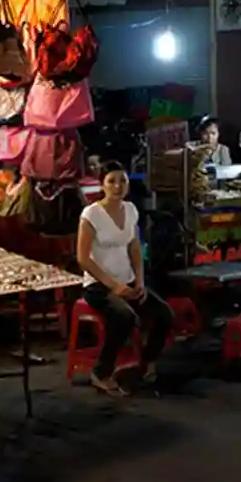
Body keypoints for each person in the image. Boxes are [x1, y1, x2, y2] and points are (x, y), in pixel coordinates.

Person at [76, 161, 174, 396]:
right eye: (111, 181)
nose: (118, 186)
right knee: (124, 317)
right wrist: (114, 286)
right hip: (99, 286)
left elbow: (135, 247)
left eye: (123, 181)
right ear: (102, 184)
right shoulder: (91, 214)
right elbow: (82, 258)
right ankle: (101, 372)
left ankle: (145, 362)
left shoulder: (130, 210)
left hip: (128, 281)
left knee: (165, 314)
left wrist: (139, 281)